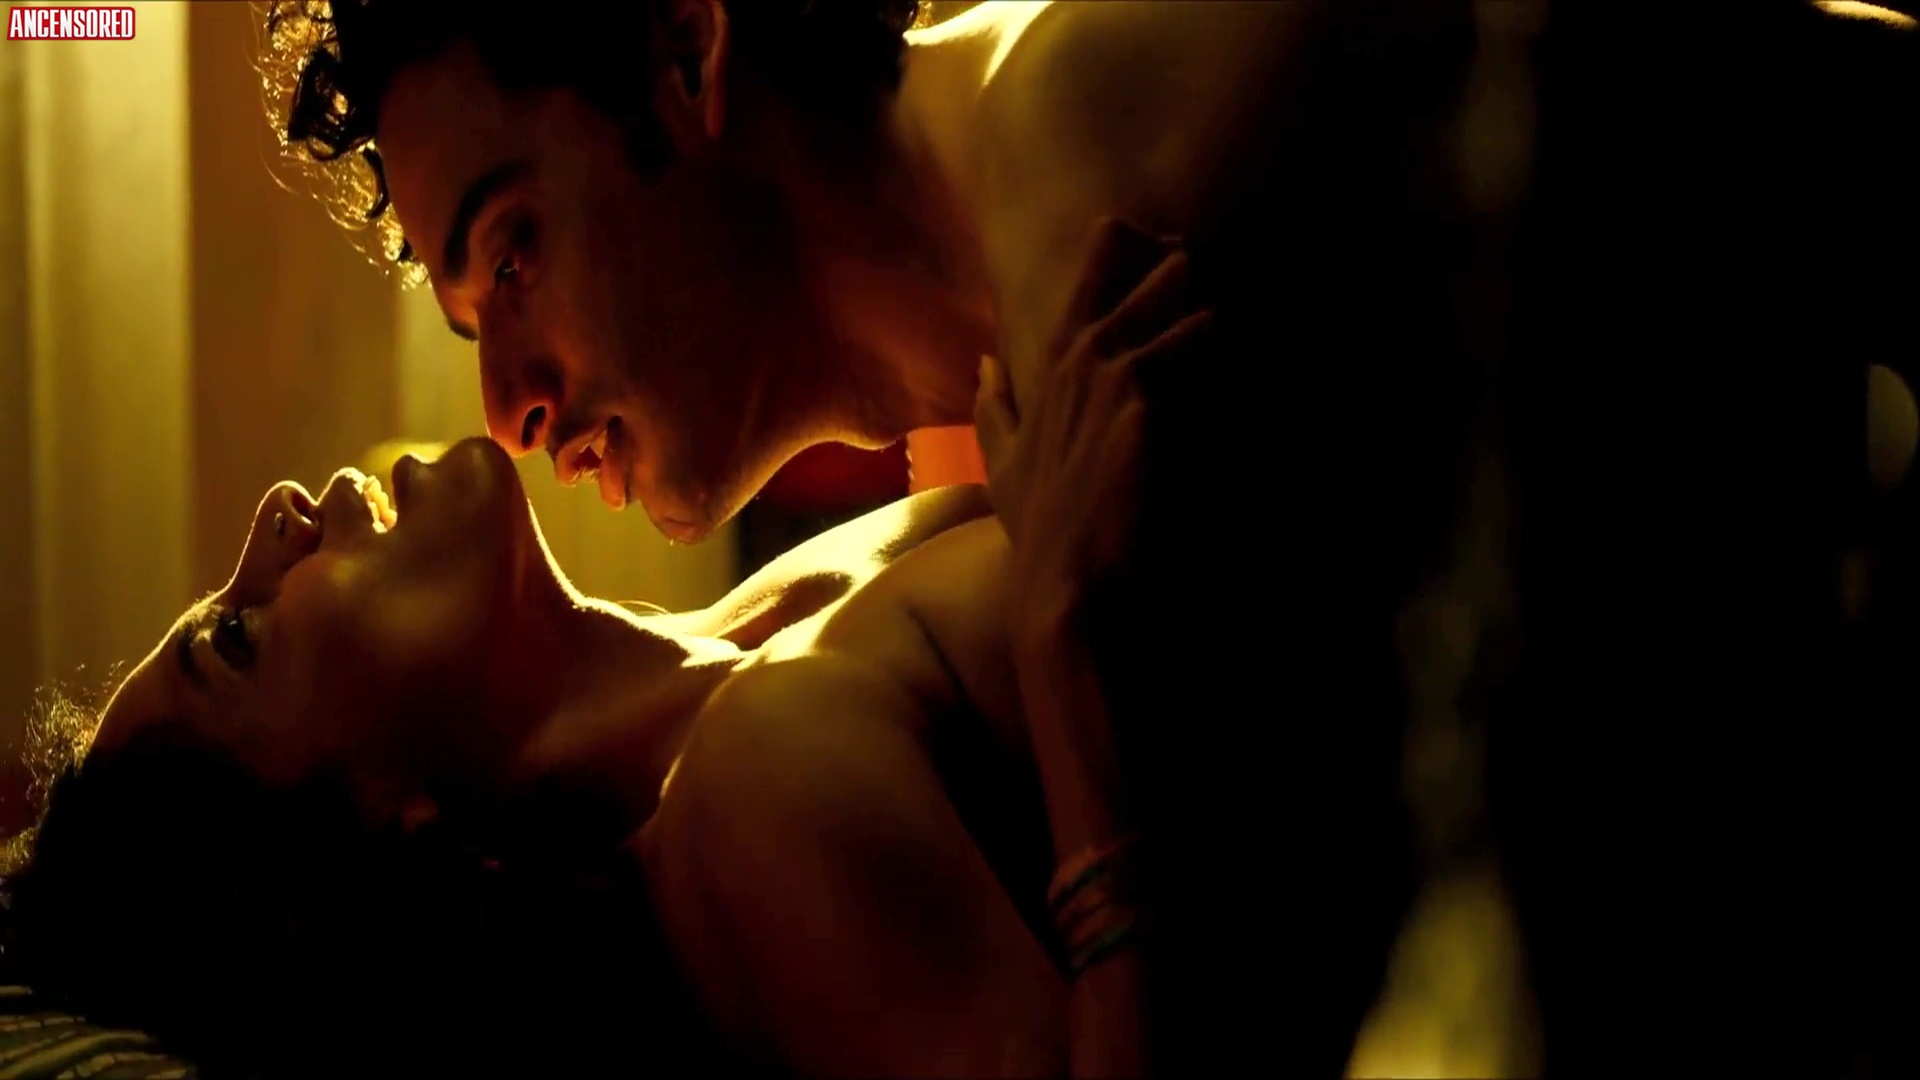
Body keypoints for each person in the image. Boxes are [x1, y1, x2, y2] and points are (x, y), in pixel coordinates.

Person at [253, 0, 1918, 1071]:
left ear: (688, 58)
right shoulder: (990, 406)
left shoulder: (1106, 190)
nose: (510, 407)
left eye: (517, 252)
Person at [0, 242, 1194, 1077]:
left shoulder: (750, 623)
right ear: (369, 826)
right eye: (236, 638)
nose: (275, 519)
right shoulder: (751, 791)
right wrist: (1067, 651)